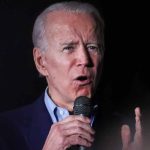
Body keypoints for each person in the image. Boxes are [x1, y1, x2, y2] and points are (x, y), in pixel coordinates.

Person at [0, 1, 143, 150]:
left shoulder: (130, 132)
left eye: (93, 47)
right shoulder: (4, 131)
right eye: (68, 48)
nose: (85, 60)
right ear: (41, 62)